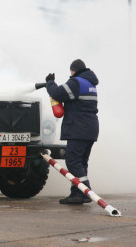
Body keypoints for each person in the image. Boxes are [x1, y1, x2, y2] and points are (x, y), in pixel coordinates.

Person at [45, 59, 99, 204]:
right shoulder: (90, 84)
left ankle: (84, 191)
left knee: (73, 161)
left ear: (73, 70)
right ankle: (76, 194)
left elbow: (57, 93)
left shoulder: (76, 82)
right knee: (81, 162)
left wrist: (50, 82)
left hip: (79, 128)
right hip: (90, 128)